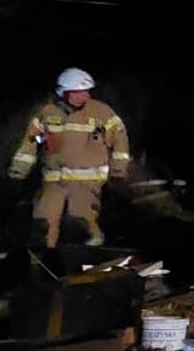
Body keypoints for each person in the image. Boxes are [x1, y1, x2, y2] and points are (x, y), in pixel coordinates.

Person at [9, 68, 130, 247]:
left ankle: (89, 255)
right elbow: (30, 143)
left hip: (86, 183)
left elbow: (120, 141)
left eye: (86, 91)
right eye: (78, 92)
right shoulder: (47, 113)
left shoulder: (102, 113)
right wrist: (18, 171)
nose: (85, 96)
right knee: (44, 223)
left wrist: (118, 170)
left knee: (82, 224)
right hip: (54, 182)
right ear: (63, 93)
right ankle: (43, 258)